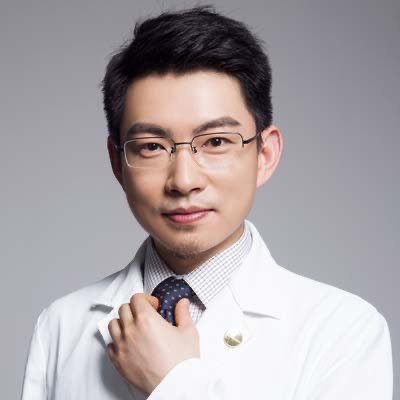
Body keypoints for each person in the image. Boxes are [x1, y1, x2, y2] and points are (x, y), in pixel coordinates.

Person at [21, 5, 393, 400]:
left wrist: (174, 382)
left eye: (216, 141)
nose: (184, 180)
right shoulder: (61, 326)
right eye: (151, 146)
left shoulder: (343, 331)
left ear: (265, 155)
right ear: (118, 162)